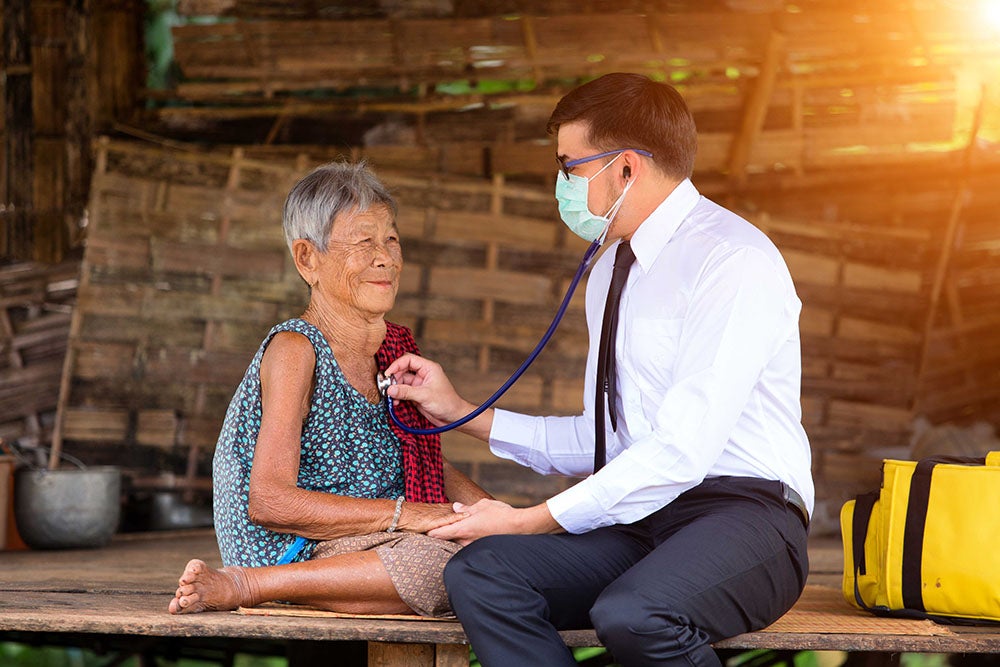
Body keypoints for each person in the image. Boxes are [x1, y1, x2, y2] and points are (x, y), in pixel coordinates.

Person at [384, 72, 814, 666]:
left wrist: (531, 519)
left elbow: (681, 451)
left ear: (626, 168)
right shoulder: (611, 269)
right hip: (644, 516)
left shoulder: (732, 261)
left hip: (747, 517)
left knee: (636, 613)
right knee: (483, 573)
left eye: (569, 167)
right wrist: (462, 414)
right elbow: (604, 439)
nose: (561, 185)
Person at [168, 161, 490, 618]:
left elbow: (417, 461)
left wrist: (507, 520)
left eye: (391, 239)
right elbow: (270, 502)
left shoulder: (390, 351)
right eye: (364, 242)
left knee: (499, 555)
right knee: (448, 568)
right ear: (307, 259)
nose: (385, 258)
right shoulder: (295, 350)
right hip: (296, 548)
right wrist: (408, 514)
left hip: (369, 541)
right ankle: (249, 585)